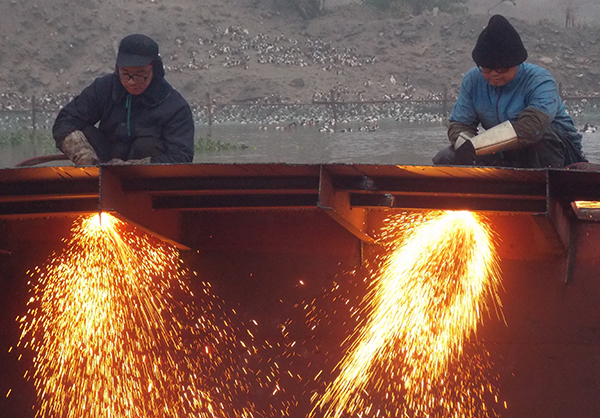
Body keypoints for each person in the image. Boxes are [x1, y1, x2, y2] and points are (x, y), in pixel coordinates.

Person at [433, 15, 586, 168]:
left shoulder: (540, 80)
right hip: (500, 149)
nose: (493, 74)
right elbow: (459, 124)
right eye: (486, 69)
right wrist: (466, 146)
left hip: (557, 149)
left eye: (501, 69)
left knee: (541, 139)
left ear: (517, 64)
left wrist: (476, 145)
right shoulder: (473, 80)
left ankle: (542, 189)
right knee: (445, 157)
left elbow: (532, 128)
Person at [53, 34, 194, 165]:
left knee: (146, 145)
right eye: (125, 74)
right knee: (83, 131)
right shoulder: (103, 88)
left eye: (140, 74)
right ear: (117, 69)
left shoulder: (175, 106)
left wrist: (130, 168)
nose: (131, 82)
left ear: (154, 69)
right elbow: (65, 121)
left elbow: (182, 156)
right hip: (103, 165)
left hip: (148, 177)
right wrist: (83, 155)